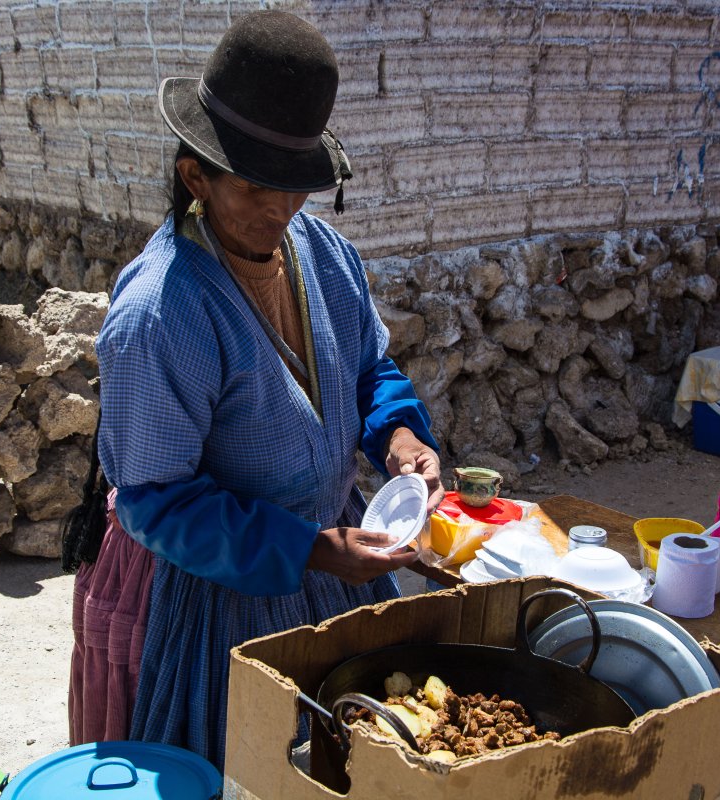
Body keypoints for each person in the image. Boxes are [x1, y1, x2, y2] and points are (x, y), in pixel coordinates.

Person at [63, 10, 444, 771]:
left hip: (326, 565)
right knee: (245, 766)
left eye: (295, 188)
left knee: (349, 760)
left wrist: (400, 437)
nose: (278, 210)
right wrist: (305, 548)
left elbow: (367, 370)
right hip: (215, 595)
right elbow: (156, 500)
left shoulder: (321, 253)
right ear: (194, 175)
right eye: (255, 187)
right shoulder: (162, 314)